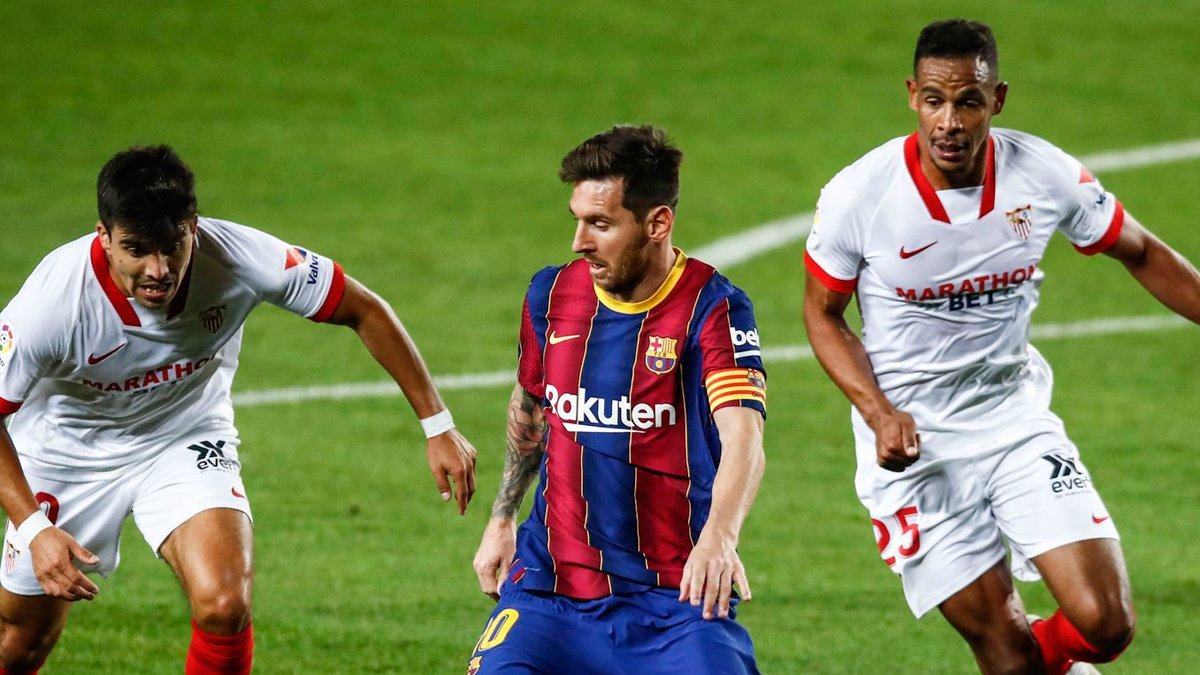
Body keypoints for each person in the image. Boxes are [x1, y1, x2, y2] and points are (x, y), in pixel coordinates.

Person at [803, 18, 1200, 675]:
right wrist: (878, 413)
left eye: (968, 101)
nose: (949, 122)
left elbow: (1142, 251)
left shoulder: (1041, 174)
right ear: (912, 95)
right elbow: (822, 315)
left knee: (1107, 623)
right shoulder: (860, 195)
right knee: (1007, 660)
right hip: (915, 448)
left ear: (998, 99)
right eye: (935, 100)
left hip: (1014, 423)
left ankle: (1056, 661)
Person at [0, 145, 478, 674]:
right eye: (136, 250)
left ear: (193, 227)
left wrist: (438, 424)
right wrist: (33, 527)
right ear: (104, 236)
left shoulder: (241, 257)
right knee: (19, 644)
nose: (158, 269)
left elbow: (362, 308)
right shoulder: (54, 302)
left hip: (182, 436)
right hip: (67, 455)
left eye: (172, 247)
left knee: (224, 605)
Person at [468, 125, 767, 674]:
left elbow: (743, 437)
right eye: (577, 219)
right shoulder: (551, 294)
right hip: (549, 592)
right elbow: (533, 405)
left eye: (600, 224)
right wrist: (502, 517)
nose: (579, 242)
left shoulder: (712, 308)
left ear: (657, 223)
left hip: (677, 601)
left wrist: (720, 539)